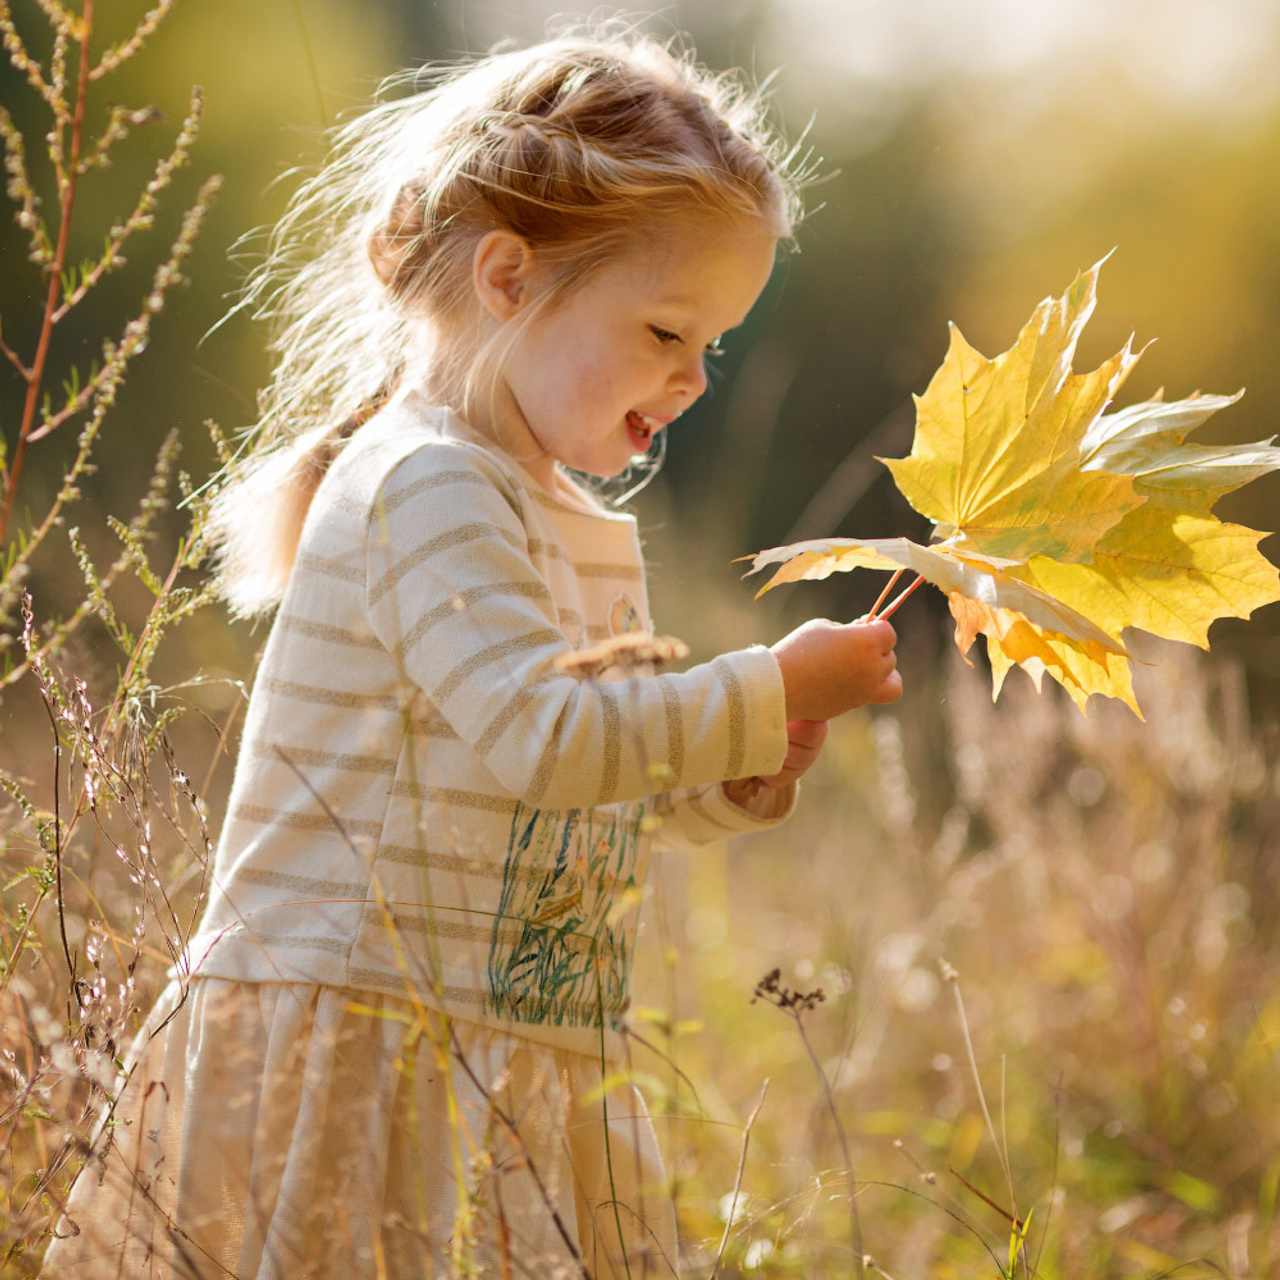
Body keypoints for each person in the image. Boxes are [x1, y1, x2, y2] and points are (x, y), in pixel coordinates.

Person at [42, 25, 901, 1280]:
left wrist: (730, 775)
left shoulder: (558, 516)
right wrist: (760, 686)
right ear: (508, 279)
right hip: (365, 1027)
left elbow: (582, 797)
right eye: (668, 330)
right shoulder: (430, 484)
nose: (695, 377)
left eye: (709, 344)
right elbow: (545, 739)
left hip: (507, 1029)